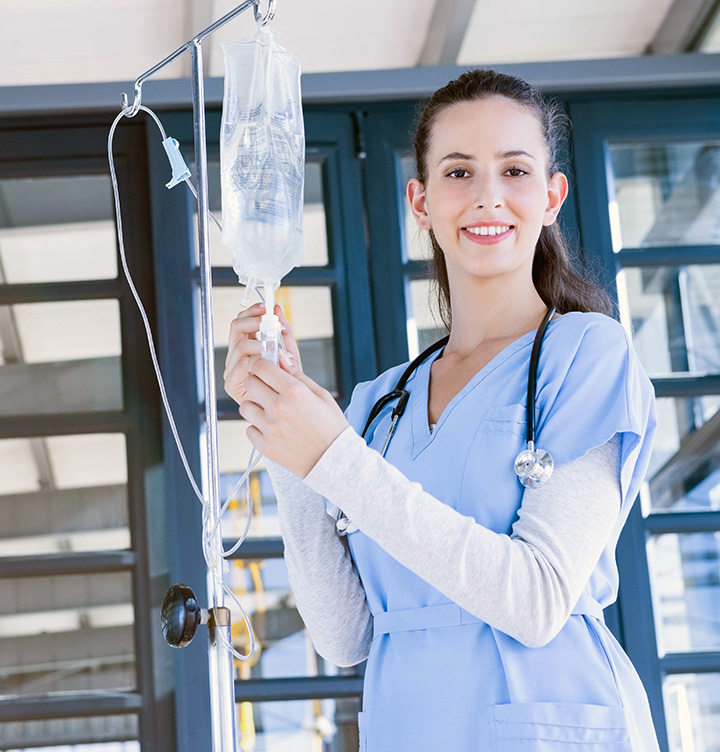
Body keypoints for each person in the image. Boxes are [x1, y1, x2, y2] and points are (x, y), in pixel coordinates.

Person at [224, 69, 661, 751]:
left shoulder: (586, 355)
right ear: (420, 202)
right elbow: (346, 637)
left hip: (555, 723)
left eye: (514, 170)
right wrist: (289, 446)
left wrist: (333, 459)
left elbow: (537, 600)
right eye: (459, 173)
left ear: (551, 197)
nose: (488, 196)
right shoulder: (377, 406)